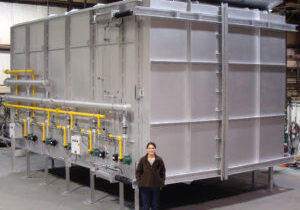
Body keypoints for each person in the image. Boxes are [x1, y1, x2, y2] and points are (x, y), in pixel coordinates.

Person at [136, 142, 166, 210]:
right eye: (149, 148)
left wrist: (162, 182)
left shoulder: (159, 160)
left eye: (153, 148)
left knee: (155, 206)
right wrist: (139, 183)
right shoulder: (143, 160)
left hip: (156, 186)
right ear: (147, 149)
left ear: (155, 149)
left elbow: (163, 172)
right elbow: (138, 171)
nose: (151, 150)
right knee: (145, 207)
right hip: (145, 186)